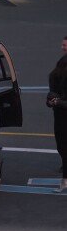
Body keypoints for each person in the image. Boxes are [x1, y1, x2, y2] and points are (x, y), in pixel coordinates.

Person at [47, 54, 67, 192]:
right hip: (61, 118)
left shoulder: (54, 76)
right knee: (63, 148)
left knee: (63, 148)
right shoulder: (56, 78)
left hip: (60, 118)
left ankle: (65, 180)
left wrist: (55, 102)